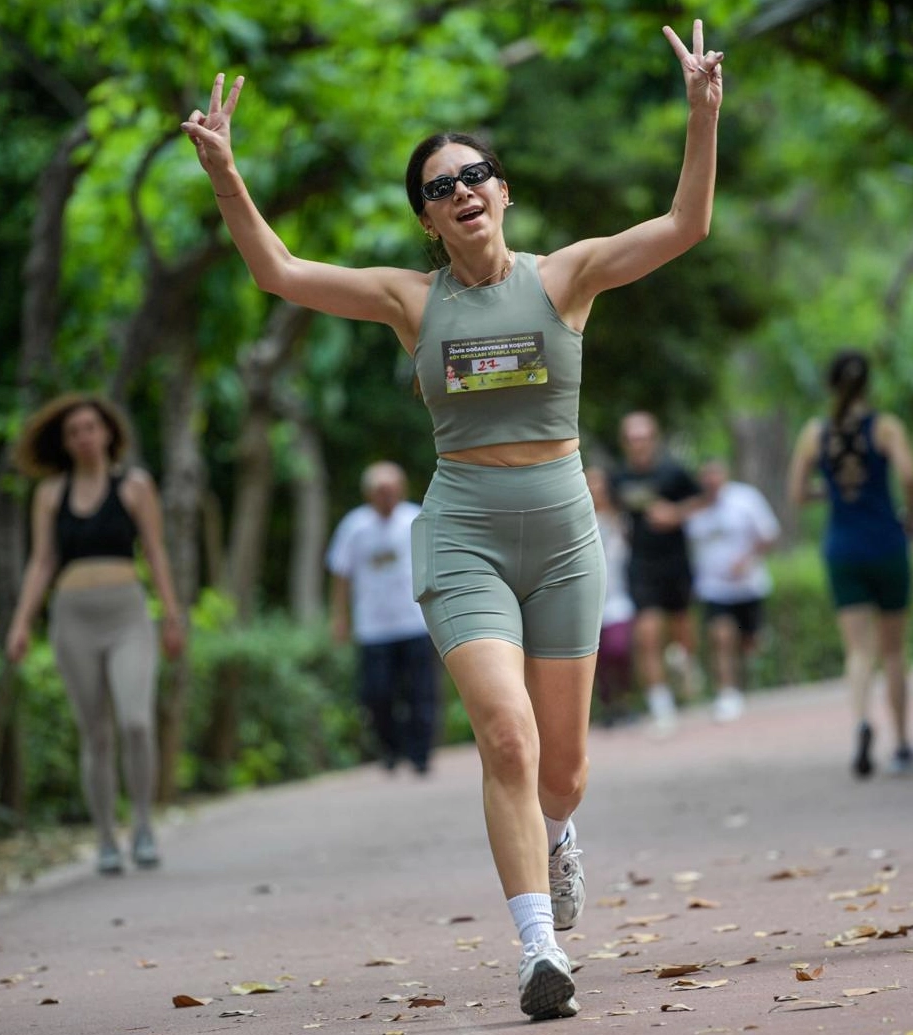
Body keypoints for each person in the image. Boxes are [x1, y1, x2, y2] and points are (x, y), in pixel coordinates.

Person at [181, 21, 722, 1020]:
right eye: (439, 187)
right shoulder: (408, 299)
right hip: (463, 529)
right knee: (506, 742)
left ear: (502, 192)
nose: (461, 190)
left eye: (474, 174)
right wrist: (225, 172)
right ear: (427, 221)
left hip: (561, 535)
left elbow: (683, 226)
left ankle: (557, 836)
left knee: (561, 767)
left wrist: (700, 114)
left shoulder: (565, 276)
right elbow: (279, 273)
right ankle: (535, 951)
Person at [5, 394, 186, 875]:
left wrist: (171, 615)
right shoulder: (49, 494)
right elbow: (42, 561)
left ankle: (143, 825)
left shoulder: (135, 486)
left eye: (91, 427)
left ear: (108, 432)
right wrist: (21, 623)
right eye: (74, 431)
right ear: (65, 443)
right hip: (73, 619)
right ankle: (106, 836)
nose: (84, 437)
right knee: (96, 733)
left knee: (136, 722)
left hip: (127, 615)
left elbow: (155, 552)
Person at [787, 351, 913, 777]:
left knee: (858, 651)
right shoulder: (885, 426)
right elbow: (911, 475)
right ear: (867, 385)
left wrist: (830, 492)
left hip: (842, 548)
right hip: (886, 543)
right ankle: (900, 744)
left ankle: (862, 723)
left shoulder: (815, 433)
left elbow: (797, 493)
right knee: (894, 650)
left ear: (831, 385)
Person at [327, 461, 440, 776]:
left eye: (392, 489)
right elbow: (340, 574)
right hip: (373, 628)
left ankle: (420, 755)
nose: (387, 496)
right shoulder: (354, 526)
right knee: (377, 694)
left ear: (401, 489)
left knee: (422, 693)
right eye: (380, 490)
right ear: (369, 494)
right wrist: (339, 617)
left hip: (415, 622)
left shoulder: (415, 518)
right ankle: (391, 749)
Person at [611, 411, 704, 733]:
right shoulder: (618, 478)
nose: (639, 444)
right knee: (647, 634)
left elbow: (702, 500)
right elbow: (611, 508)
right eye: (632, 438)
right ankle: (660, 704)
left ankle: (685, 665)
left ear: (654, 439)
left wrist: (675, 513)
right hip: (640, 565)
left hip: (675, 562)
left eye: (644, 437)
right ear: (625, 443)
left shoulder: (674, 472)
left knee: (681, 633)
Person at [684, 458, 779, 723]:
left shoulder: (746, 499)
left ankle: (746, 672)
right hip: (714, 589)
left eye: (715, 474)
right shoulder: (694, 508)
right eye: (706, 476)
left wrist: (747, 559)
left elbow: (769, 534)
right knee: (721, 637)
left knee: (750, 642)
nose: (710, 481)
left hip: (749, 586)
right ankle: (727, 693)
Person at [586, 465, 635, 728]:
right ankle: (609, 707)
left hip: (618, 596)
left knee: (619, 649)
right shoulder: (578, 520)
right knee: (598, 658)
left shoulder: (621, 518)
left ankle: (626, 698)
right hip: (589, 601)